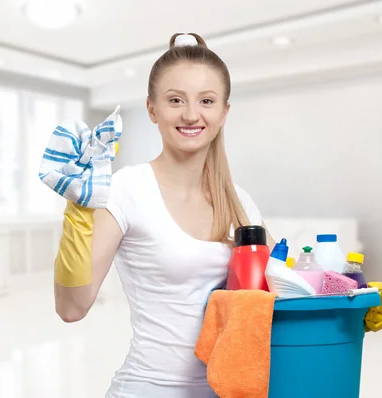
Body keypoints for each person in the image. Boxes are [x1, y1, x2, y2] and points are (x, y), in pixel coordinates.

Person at [50, 32, 274, 398]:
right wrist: (78, 212)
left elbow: (282, 291)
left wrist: (350, 294)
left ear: (224, 112)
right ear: (152, 109)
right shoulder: (127, 189)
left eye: (206, 100)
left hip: (227, 390)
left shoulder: (240, 204)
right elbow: (71, 308)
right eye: (175, 100)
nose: (191, 114)